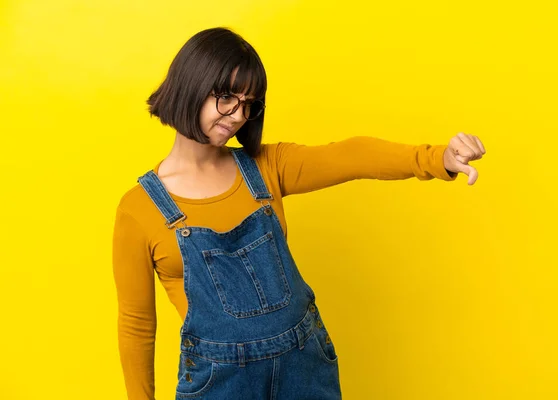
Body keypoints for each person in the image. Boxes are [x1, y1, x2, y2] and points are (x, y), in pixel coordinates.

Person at [112, 27, 486, 400]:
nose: (237, 115)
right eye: (226, 97)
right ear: (190, 84)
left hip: (304, 370)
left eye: (248, 103)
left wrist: (438, 158)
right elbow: (137, 325)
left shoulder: (268, 166)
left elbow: (352, 155)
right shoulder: (139, 209)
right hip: (219, 385)